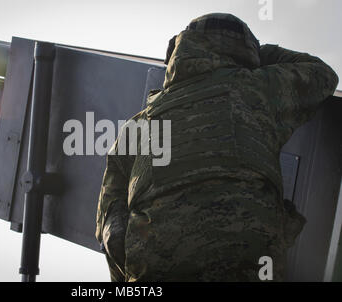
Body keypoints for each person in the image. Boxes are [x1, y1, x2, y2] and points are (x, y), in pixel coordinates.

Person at [95, 13, 339, 282]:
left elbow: (112, 230)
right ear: (246, 53)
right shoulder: (260, 87)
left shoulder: (136, 127)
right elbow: (322, 74)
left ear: (179, 50)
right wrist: (259, 55)